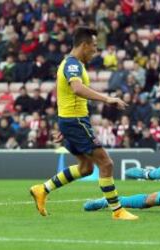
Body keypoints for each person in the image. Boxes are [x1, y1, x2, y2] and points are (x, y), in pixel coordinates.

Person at [29, 27, 138, 220]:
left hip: (70, 121)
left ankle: (42, 189)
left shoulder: (71, 63)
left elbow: (63, 93)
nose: (95, 50)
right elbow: (77, 89)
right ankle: (118, 211)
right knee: (106, 163)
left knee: (86, 167)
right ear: (84, 45)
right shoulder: (73, 64)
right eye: (94, 46)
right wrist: (107, 99)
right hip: (75, 121)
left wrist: (64, 126)